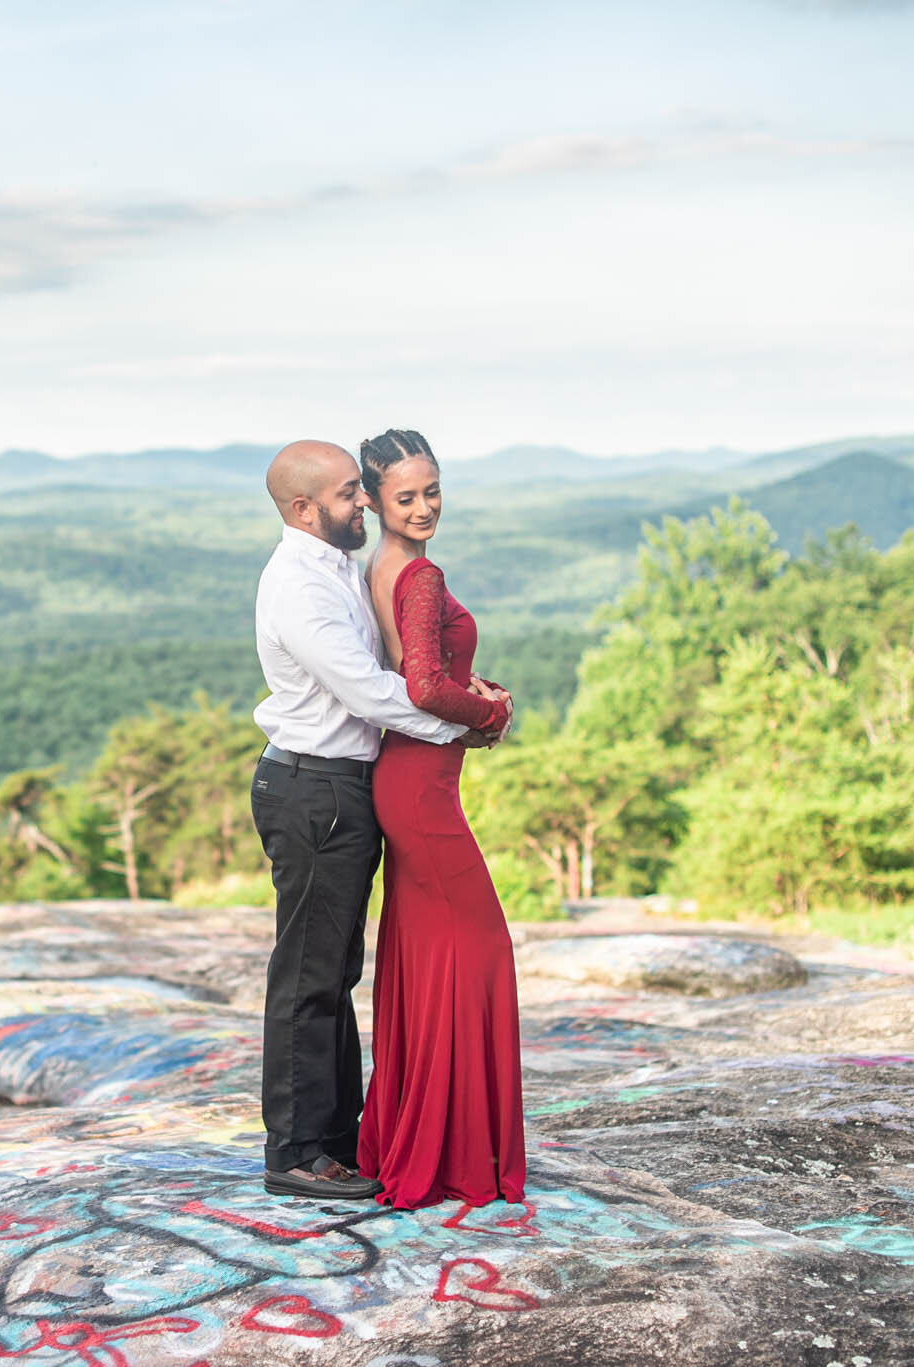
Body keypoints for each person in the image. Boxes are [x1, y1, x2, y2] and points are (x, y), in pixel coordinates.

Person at [250, 439, 505, 1201]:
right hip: (314, 789)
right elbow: (369, 691)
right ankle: (294, 1152)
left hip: (341, 787)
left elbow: (402, 667)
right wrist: (469, 723)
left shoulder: (338, 566)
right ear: (303, 509)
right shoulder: (299, 584)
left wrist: (465, 691)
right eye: (347, 493)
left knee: (336, 972)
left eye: (361, 489)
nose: (361, 502)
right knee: (308, 977)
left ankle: (334, 1137)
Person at [354, 428, 526, 1210]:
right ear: (376, 498)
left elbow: (416, 667)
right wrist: (486, 715)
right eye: (405, 496)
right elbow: (424, 685)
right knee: (482, 949)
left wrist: (470, 683)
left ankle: (428, 1135)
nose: (424, 508)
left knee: (429, 960)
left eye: (432, 491)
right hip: (423, 787)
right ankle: (458, 1153)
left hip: (407, 777)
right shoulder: (419, 575)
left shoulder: (379, 566)